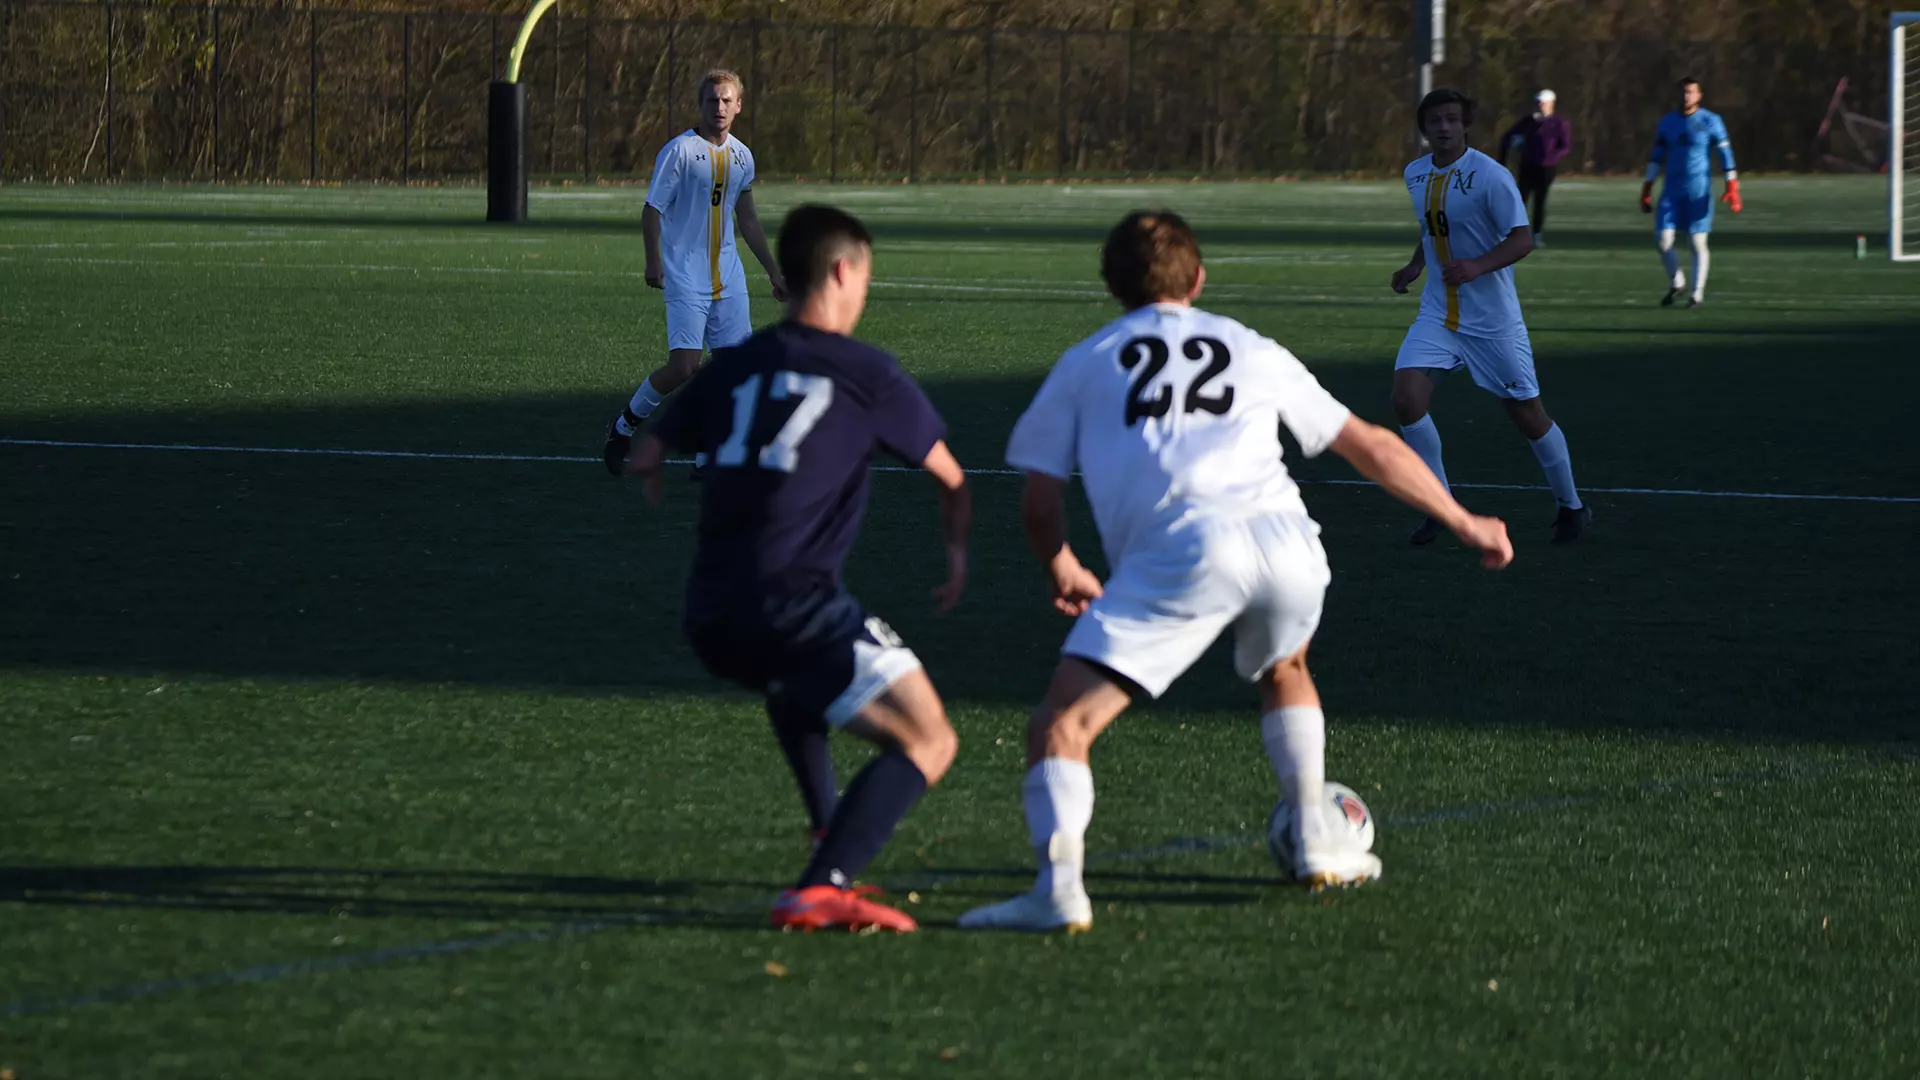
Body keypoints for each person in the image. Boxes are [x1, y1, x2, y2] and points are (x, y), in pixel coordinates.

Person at [956, 209, 1514, 934]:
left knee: (1061, 727)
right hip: (1289, 544)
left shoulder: (1086, 362)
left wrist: (1061, 564)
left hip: (1186, 550)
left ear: (1111, 287)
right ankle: (1316, 838)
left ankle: (1057, 891)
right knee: (1287, 668)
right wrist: (1466, 521)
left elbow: (1039, 499)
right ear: (1198, 279)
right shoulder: (1246, 344)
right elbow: (1370, 444)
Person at [625, 205, 972, 933]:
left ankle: (824, 831)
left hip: (713, 612)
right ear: (844, 271)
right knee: (930, 739)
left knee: (797, 686)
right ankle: (825, 883)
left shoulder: (740, 363)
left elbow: (653, 447)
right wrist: (957, 554)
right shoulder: (868, 372)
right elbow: (950, 477)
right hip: (795, 604)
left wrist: (657, 470)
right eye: (867, 278)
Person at [1389, 88, 1590, 547]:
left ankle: (1572, 506)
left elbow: (1523, 240)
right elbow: (1432, 225)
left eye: (1452, 119)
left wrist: (1477, 266)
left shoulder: (1491, 176)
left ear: (1465, 126)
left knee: (1527, 415)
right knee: (1406, 398)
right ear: (1424, 128)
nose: (1443, 127)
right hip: (1438, 314)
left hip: (1492, 322)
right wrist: (1416, 265)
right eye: (1435, 120)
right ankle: (1439, 506)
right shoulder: (1415, 174)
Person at [604, 69, 789, 474]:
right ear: (700, 105)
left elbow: (750, 221)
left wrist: (774, 272)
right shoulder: (680, 151)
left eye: (726, 101)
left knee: (733, 370)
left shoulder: (742, 156)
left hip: (729, 274)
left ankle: (709, 453)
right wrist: (653, 261)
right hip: (685, 273)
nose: (719, 107)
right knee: (684, 367)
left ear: (739, 105)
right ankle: (622, 427)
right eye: (712, 100)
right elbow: (652, 208)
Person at [1642, 76, 1741, 308]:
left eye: (1691, 92)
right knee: (1663, 241)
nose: (1686, 96)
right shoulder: (1667, 122)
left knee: (1697, 242)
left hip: (1698, 192)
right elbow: (1657, 157)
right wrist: (1647, 186)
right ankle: (1677, 283)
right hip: (1671, 192)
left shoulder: (1711, 121)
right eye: (1683, 92)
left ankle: (1697, 294)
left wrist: (1732, 186)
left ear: (1699, 95)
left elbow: (1726, 155)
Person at [1498, 89, 1572, 244]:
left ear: (1551, 104)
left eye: (1544, 103)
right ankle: (1515, 233)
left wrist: (1551, 157)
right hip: (1527, 165)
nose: (1541, 106)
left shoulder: (1559, 123)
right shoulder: (1528, 122)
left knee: (1540, 201)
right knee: (1521, 199)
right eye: (1538, 103)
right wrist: (1504, 158)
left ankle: (1537, 234)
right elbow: (1507, 138)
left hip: (1546, 168)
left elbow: (1564, 146)